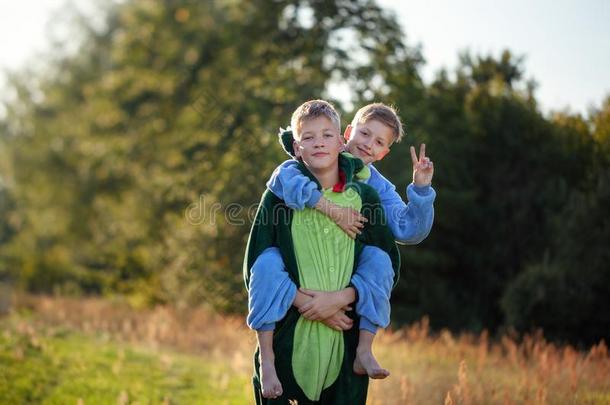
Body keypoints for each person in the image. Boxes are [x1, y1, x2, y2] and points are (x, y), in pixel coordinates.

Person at [255, 103, 436, 389]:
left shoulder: (378, 188)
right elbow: (283, 175)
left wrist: (422, 190)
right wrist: (330, 208)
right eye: (364, 134)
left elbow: (407, 229)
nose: (368, 144)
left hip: (344, 286)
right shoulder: (317, 154)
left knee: (379, 260)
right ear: (347, 133)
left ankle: (364, 349)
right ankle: (268, 361)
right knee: (267, 263)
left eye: (379, 142)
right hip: (301, 284)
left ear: (384, 152)